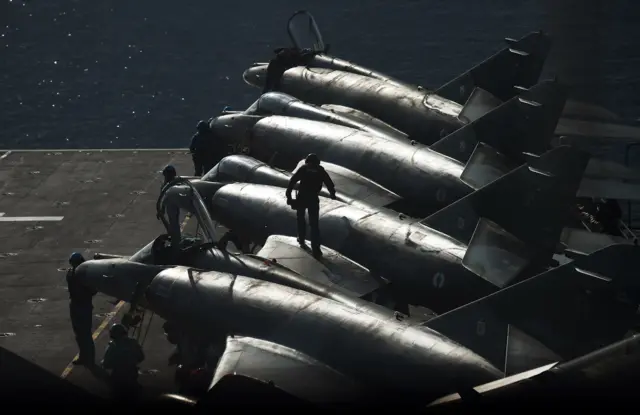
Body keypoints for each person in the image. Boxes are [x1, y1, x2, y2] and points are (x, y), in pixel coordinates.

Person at [285, 153, 336, 258]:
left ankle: (302, 239)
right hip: (313, 199)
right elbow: (329, 183)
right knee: (314, 225)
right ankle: (316, 250)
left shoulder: (304, 169)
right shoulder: (320, 170)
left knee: (300, 219)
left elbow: (292, 181)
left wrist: (289, 196)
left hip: (302, 197)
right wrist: (332, 194)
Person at [66, 252, 97, 366]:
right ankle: (85, 357)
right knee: (80, 334)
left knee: (84, 334)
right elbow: (94, 290)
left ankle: (88, 359)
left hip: (81, 306)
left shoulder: (71, 274)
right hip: (79, 305)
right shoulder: (83, 275)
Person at [101, 323, 145, 399]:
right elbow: (141, 357)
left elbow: (106, 364)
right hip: (132, 374)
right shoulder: (133, 342)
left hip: (118, 377)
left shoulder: (112, 346)